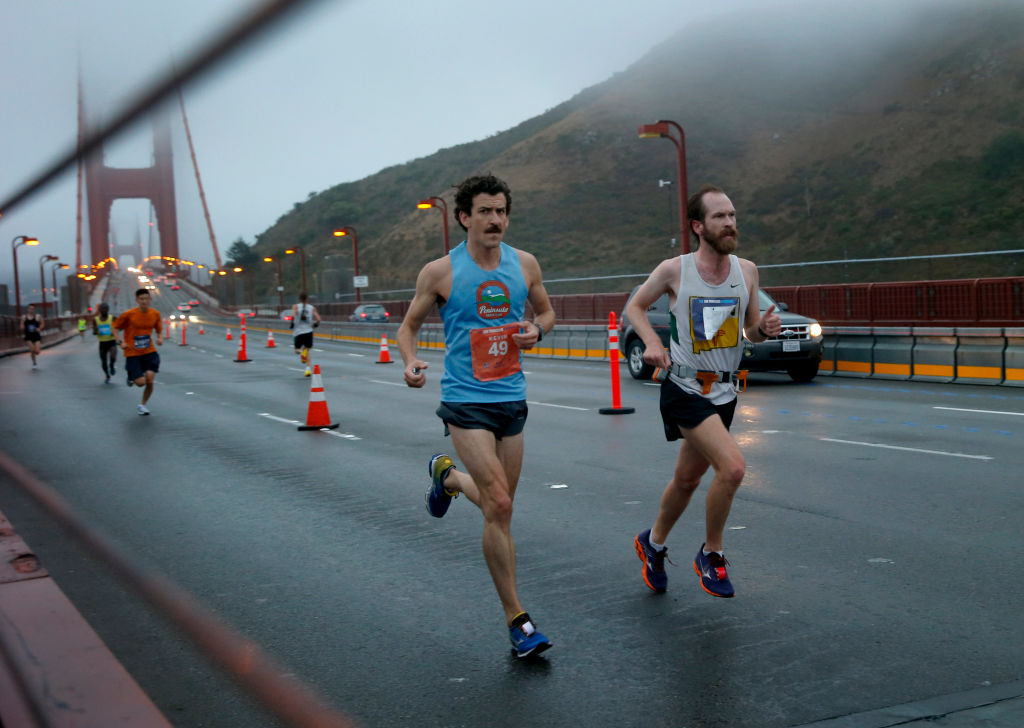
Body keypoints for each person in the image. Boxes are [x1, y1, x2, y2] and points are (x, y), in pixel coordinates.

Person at [397, 174, 556, 659]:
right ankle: (518, 620)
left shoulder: (524, 264)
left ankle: (446, 479)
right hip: (466, 400)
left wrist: (535, 328)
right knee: (501, 505)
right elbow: (408, 327)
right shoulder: (441, 272)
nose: (495, 220)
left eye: (502, 211)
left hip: (512, 397)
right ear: (464, 217)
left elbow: (547, 314)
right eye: (485, 211)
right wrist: (409, 361)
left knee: (496, 507)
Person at [627, 184, 781, 599]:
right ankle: (711, 554)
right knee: (731, 468)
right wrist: (653, 344)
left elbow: (749, 331)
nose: (730, 223)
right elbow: (634, 307)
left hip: (726, 393)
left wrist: (762, 332)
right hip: (684, 387)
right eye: (719, 216)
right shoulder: (675, 270)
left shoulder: (747, 271)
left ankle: (652, 544)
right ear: (698, 226)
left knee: (686, 480)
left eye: (732, 215)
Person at [113, 288, 163, 415]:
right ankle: (131, 376)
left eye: (146, 298)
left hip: (149, 351)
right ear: (137, 300)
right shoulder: (129, 315)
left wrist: (160, 338)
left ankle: (143, 405)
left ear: (150, 299)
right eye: (141, 299)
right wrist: (120, 342)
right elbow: (115, 327)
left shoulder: (155, 314)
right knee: (141, 383)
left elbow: (159, 329)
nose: (144, 301)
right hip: (133, 353)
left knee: (150, 380)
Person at [291, 292, 320, 377]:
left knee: (297, 350)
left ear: (299, 298)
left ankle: (301, 352)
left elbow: (292, 315)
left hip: (298, 332)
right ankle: (307, 369)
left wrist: (292, 323)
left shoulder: (296, 306)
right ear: (307, 299)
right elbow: (318, 319)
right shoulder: (312, 308)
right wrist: (315, 325)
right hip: (309, 331)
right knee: (307, 350)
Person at [93, 302, 118, 383]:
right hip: (102, 343)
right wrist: (97, 330)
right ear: (100, 310)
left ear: (108, 309)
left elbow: (120, 326)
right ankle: (107, 375)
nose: (104, 310)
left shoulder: (112, 318)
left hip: (111, 341)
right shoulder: (96, 320)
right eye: (102, 309)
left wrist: (114, 331)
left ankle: (112, 365)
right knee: (103, 361)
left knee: (113, 357)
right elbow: (94, 331)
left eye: (106, 309)